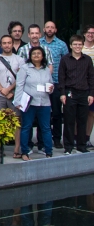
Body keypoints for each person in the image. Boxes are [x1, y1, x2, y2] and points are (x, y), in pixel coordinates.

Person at [14, 46, 54, 160]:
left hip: (45, 102)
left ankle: (49, 152)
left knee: (46, 128)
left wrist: (51, 88)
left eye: (39, 53)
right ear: (30, 56)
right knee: (26, 127)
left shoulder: (46, 69)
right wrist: (17, 101)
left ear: (43, 56)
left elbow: (51, 83)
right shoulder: (25, 68)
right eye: (34, 54)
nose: (36, 55)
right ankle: (25, 152)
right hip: (29, 103)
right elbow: (19, 85)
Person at [0, 35, 25, 157]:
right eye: (4, 43)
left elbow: (21, 78)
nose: (7, 45)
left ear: (12, 44)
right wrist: (2, 90)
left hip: (15, 95)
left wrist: (9, 90)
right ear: (1, 45)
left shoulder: (20, 59)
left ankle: (17, 149)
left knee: (17, 122)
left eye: (9, 43)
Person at [58, 34, 94, 154]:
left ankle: (81, 146)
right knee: (69, 120)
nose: (77, 46)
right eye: (75, 44)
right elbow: (61, 78)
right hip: (70, 93)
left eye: (80, 44)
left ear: (83, 45)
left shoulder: (87, 60)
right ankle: (68, 146)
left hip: (84, 93)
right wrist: (62, 93)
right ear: (71, 45)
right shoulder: (65, 59)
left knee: (82, 120)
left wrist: (91, 94)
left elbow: (91, 78)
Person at [41, 20, 69, 149]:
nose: (50, 29)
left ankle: (57, 138)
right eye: (48, 27)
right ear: (44, 29)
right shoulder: (39, 43)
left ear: (55, 30)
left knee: (57, 113)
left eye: (52, 27)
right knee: (41, 111)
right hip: (41, 83)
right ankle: (41, 139)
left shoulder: (62, 45)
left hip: (57, 82)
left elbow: (66, 65)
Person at [82, 24, 94, 147]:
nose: (91, 35)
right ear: (84, 34)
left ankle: (87, 138)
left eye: (93, 33)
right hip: (80, 84)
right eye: (89, 32)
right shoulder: (80, 48)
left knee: (91, 113)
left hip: (92, 85)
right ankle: (76, 137)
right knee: (78, 113)